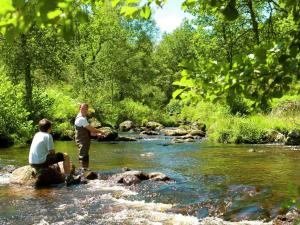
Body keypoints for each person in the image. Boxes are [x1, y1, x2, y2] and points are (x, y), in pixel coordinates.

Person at [29, 119, 75, 184]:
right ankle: (69, 177)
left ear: (39, 128)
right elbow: (52, 152)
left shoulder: (37, 134)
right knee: (65, 155)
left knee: (51, 157)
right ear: (49, 128)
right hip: (41, 163)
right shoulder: (48, 136)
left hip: (32, 162)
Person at [74, 103, 104, 169]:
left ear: (87, 110)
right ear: (79, 108)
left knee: (85, 156)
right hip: (82, 141)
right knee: (83, 157)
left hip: (84, 140)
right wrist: (101, 132)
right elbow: (92, 129)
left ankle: (85, 171)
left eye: (86, 109)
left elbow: (89, 132)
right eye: (82, 108)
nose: (84, 110)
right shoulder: (81, 119)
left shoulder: (83, 117)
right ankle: (83, 173)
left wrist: (96, 134)